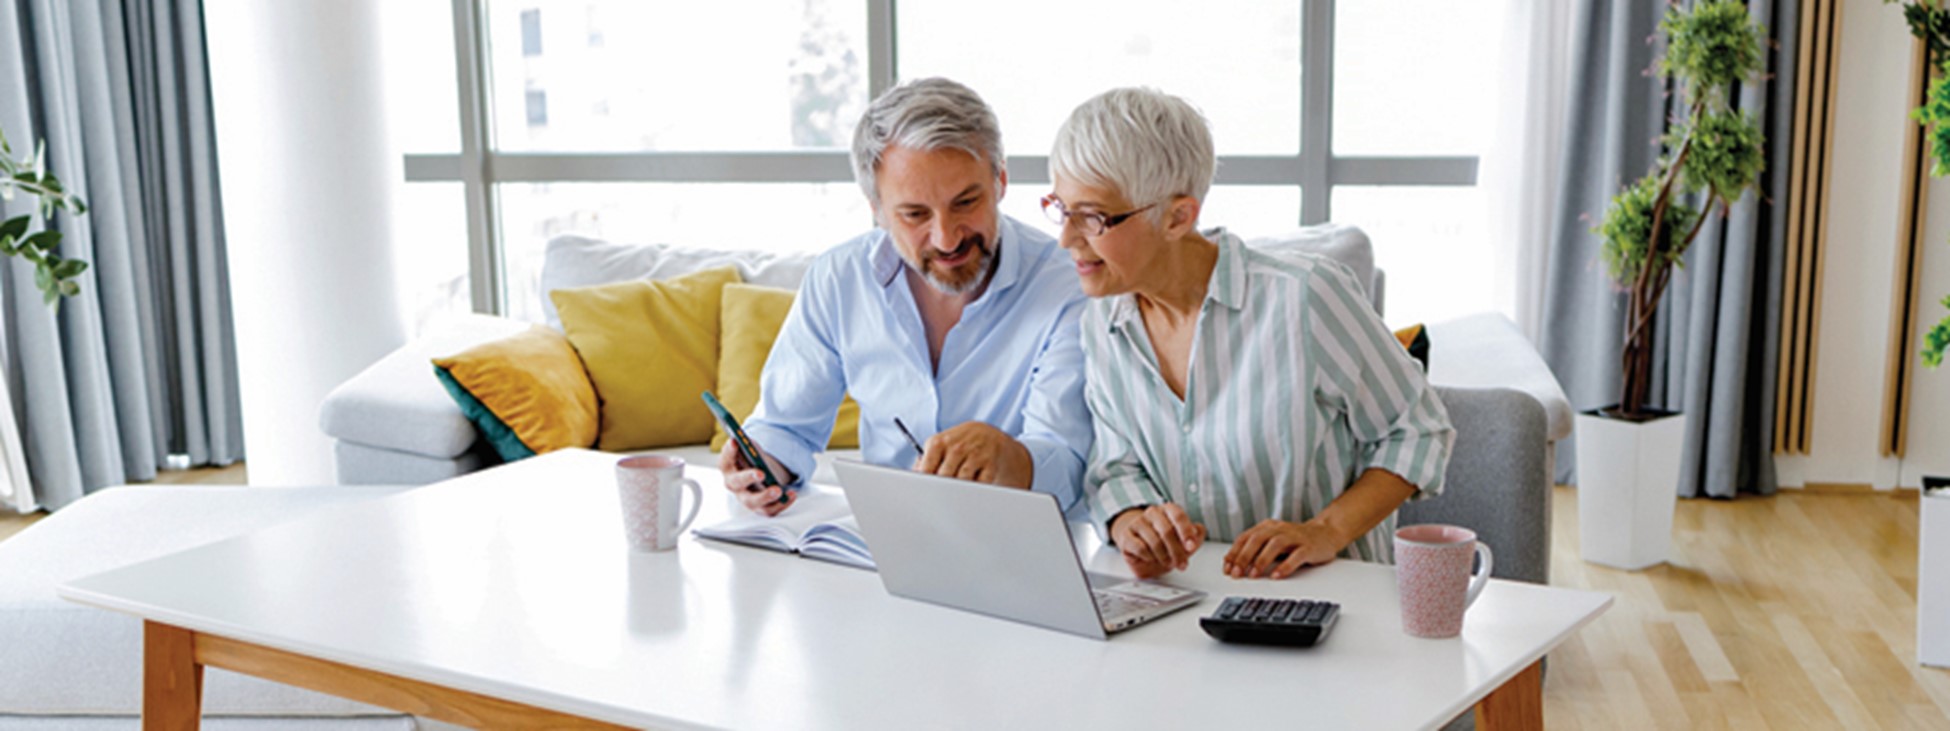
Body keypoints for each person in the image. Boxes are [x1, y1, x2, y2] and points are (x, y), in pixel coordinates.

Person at [1046, 87, 1454, 580]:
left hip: (1333, 603)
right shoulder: (1103, 323)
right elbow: (1115, 468)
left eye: (1092, 217)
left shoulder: (1305, 296)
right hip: (1191, 603)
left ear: (1178, 216)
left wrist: (1325, 530)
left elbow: (1417, 429)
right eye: (1061, 209)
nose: (1067, 238)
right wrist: (1134, 520)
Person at [720, 77, 1092, 517]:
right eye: (915, 214)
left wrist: (1009, 458)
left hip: (1027, 544)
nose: (947, 238)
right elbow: (786, 427)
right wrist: (760, 466)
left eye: (966, 203)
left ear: (1001, 182)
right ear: (875, 208)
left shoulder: (1068, 285)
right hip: (888, 543)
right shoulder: (840, 279)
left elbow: (1069, 463)